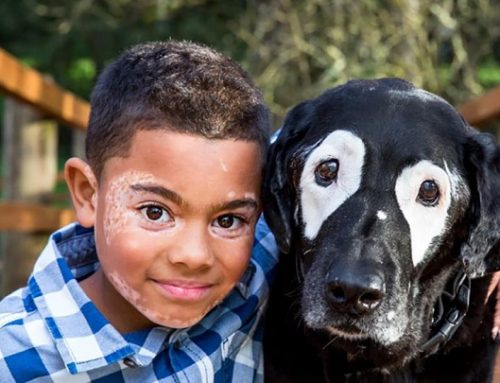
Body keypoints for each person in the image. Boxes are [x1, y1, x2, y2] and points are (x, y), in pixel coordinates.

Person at [0, 40, 278, 382]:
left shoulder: (254, 280)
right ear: (88, 195)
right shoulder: (12, 359)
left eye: (227, 220)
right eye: (155, 212)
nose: (194, 256)